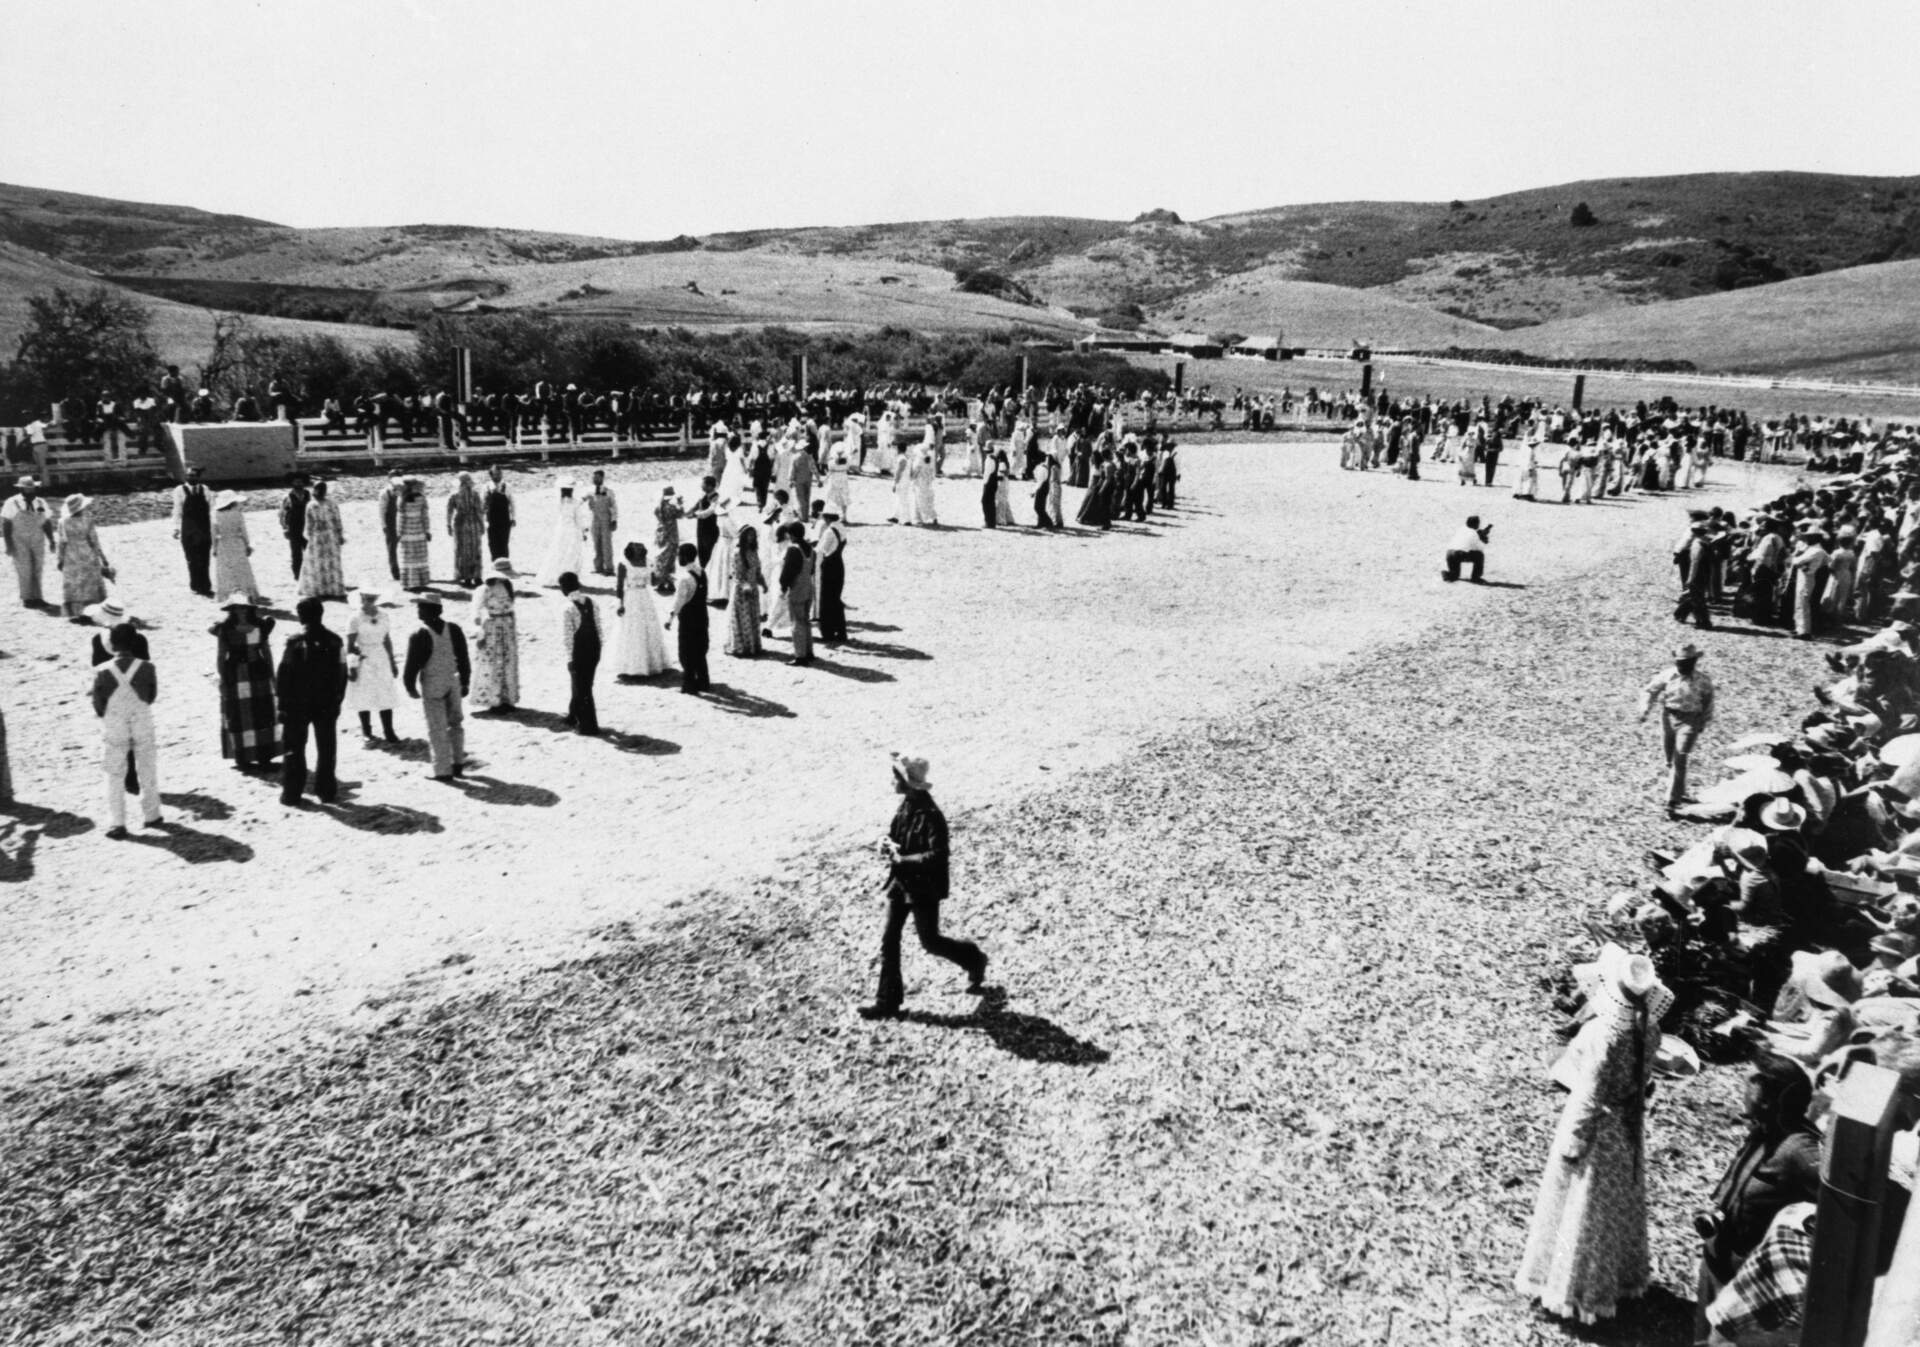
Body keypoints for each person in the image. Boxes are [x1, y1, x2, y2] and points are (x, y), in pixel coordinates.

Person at [1514, 945, 1671, 1324]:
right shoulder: (1649, 1029)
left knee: (1581, 1206)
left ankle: (1575, 1292)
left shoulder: (1604, 1033)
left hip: (1598, 1126)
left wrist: (1574, 1141)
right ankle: (1614, 1281)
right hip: (1625, 1125)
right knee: (1613, 1206)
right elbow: (1643, 1080)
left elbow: (1589, 1093)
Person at [1693, 1054, 1821, 1340]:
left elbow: (1839, 1201)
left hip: (1746, 1280)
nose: (1742, 1086)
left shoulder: (1799, 1149)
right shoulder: (1766, 1127)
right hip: (1718, 1256)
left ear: (1770, 1099)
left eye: (1750, 1082)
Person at [859, 751, 989, 1020]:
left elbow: (938, 855)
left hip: (924, 889)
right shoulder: (906, 805)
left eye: (896, 777)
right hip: (900, 884)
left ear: (908, 783)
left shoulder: (932, 815)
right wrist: (886, 842)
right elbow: (895, 833)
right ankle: (887, 1002)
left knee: (930, 941)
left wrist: (902, 858)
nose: (892, 781)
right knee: (889, 940)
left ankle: (973, 958)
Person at [92, 622, 161, 838]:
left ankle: (117, 822)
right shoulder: (147, 668)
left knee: (113, 772)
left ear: (111, 643)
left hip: (114, 724)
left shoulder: (102, 671)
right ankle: (152, 814)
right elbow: (151, 696)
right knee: (147, 768)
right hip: (142, 720)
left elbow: (98, 704)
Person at [276, 597, 347, 806]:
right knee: (327, 748)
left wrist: (281, 704)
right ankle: (326, 791)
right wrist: (337, 700)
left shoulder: (294, 641)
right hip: (326, 702)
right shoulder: (335, 640)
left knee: (294, 749)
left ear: (301, 616)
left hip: (297, 704)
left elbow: (284, 674)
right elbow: (342, 673)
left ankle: (292, 793)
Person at [1639, 642, 1714, 815]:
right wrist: (1645, 709)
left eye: (1687, 662)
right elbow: (1650, 690)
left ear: (1694, 662)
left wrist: (1702, 723)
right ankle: (1680, 789)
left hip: (1690, 720)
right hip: (1668, 717)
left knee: (1680, 756)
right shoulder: (1667, 675)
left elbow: (1708, 703)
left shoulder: (1703, 681)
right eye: (1680, 662)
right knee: (1670, 758)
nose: (1682, 665)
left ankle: (1672, 800)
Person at [402, 594, 470, 780]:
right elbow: (463, 657)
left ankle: (442, 770)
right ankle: (458, 763)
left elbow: (412, 665)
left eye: (421, 607)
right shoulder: (454, 629)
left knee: (437, 727)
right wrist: (465, 681)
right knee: (456, 723)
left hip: (433, 683)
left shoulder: (420, 634)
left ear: (429, 610)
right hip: (452, 681)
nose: (418, 610)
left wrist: (409, 686)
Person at [210, 595, 280, 772]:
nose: (241, 611)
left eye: (244, 607)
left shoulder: (260, 626)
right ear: (232, 610)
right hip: (235, 674)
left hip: (258, 674)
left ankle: (264, 758)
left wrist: (273, 676)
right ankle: (242, 759)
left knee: (262, 714)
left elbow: (266, 652)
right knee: (239, 717)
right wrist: (223, 679)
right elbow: (221, 656)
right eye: (237, 608)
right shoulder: (225, 629)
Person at [345, 588, 402, 740]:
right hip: (363, 656)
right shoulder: (355, 618)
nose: (369, 600)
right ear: (361, 597)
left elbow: (387, 639)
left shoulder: (384, 615)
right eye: (366, 597)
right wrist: (352, 665)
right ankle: (366, 730)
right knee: (364, 692)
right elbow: (350, 645)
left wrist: (392, 661)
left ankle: (389, 731)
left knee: (385, 692)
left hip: (381, 655)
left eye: (372, 597)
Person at [468, 559, 522, 711]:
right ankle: (495, 701)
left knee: (507, 662)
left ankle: (506, 699)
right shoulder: (484, 589)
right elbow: (475, 611)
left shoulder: (507, 586)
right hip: (492, 628)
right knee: (494, 663)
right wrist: (478, 631)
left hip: (507, 628)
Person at [614, 542, 672, 676]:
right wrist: (620, 604)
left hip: (645, 597)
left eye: (640, 550)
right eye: (636, 550)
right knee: (633, 629)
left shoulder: (648, 562)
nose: (639, 553)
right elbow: (619, 586)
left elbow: (652, 582)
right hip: (631, 598)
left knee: (648, 628)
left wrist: (662, 574)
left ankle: (650, 663)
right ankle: (631, 666)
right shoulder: (623, 564)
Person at [556, 572, 602, 735]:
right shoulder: (592, 602)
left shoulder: (567, 608)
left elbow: (568, 637)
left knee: (582, 688)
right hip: (594, 647)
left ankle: (588, 725)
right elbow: (598, 628)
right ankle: (572, 714)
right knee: (584, 683)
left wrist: (570, 658)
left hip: (579, 650)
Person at [55, 494, 112, 619]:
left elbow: (61, 542)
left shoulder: (62, 522)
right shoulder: (87, 520)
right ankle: (93, 611)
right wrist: (102, 557)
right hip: (86, 553)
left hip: (70, 555)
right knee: (89, 582)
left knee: (74, 583)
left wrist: (60, 559)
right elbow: (94, 540)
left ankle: (76, 612)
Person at [2, 475, 55, 608]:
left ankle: (38, 597)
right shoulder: (11, 502)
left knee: (38, 567)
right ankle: (27, 598)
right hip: (19, 540)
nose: (30, 491)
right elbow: (6, 523)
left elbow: (46, 521)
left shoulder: (41, 503)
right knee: (24, 568)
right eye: (27, 489)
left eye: (32, 488)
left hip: (37, 539)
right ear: (21, 489)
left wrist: (51, 539)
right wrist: (8, 544)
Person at [664, 542, 710, 694]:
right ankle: (703, 680)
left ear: (683, 557)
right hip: (702, 616)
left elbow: (678, 601)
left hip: (689, 619)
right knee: (700, 649)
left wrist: (669, 619)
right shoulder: (702, 572)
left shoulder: (684, 578)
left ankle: (689, 684)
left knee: (686, 652)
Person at [295, 479, 346, 601]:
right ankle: (319, 590)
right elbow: (308, 524)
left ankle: (333, 590)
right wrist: (309, 537)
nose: (319, 491)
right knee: (317, 564)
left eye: (322, 489)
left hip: (330, 536)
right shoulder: (311, 505)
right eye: (317, 489)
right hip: (317, 537)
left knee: (331, 563)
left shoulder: (332, 504)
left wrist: (340, 535)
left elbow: (337, 520)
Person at [211, 491, 263, 604]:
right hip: (237, 542)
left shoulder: (215, 515)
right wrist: (247, 544)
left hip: (223, 543)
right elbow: (243, 531)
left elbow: (214, 534)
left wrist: (214, 548)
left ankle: (228, 594)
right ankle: (246, 593)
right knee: (241, 568)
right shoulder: (237, 514)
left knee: (226, 569)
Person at [171, 466, 215, 595]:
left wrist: (215, 526)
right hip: (188, 528)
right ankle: (195, 585)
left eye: (194, 475)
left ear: (198, 477)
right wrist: (176, 528)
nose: (191, 478)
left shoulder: (205, 489)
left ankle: (205, 585)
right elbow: (177, 510)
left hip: (204, 527)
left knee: (204, 557)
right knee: (191, 557)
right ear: (185, 476)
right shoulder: (179, 490)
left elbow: (212, 508)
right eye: (189, 475)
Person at [724, 526, 765, 657]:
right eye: (748, 535)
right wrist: (746, 587)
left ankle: (753, 646)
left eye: (753, 535)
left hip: (753, 589)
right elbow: (737, 575)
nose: (751, 538)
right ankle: (741, 647)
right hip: (741, 591)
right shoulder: (737, 553)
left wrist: (763, 584)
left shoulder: (754, 552)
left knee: (752, 618)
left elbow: (758, 571)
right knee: (742, 619)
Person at [779, 522, 815, 666]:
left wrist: (783, 586)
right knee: (806, 620)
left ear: (791, 534)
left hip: (797, 588)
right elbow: (811, 570)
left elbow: (787, 572)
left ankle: (800, 655)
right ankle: (809, 651)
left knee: (797, 622)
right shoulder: (810, 548)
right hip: (808, 586)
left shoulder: (793, 550)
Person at [447, 472, 486, 587]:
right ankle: (477, 576)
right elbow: (479, 511)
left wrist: (448, 525)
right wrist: (482, 524)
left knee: (462, 550)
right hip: (473, 522)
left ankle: (466, 576)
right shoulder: (475, 495)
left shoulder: (454, 495)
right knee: (475, 549)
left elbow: (449, 512)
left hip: (460, 523)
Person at [816, 507, 848, 644]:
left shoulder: (829, 531)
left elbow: (820, 550)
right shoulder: (841, 527)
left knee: (826, 600)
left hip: (829, 565)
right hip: (839, 564)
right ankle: (841, 631)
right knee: (836, 599)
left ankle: (827, 633)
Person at [396, 477, 433, 591]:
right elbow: (425, 516)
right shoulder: (422, 498)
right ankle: (421, 581)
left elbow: (401, 518)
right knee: (419, 556)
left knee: (408, 557)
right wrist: (427, 530)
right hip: (419, 531)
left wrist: (399, 532)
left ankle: (410, 582)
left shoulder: (402, 499)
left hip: (407, 533)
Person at [585, 470, 619, 575]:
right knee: (596, 543)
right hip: (594, 519)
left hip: (605, 519)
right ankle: (598, 567)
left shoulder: (609, 492)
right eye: (593, 477)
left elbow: (613, 507)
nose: (594, 479)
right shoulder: (589, 491)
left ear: (602, 478)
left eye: (597, 477)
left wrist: (614, 520)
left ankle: (609, 568)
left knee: (606, 544)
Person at [651, 486, 683, 593]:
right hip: (671, 535)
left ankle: (661, 580)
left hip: (661, 534)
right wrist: (680, 503)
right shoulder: (671, 507)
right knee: (669, 559)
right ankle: (667, 580)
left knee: (661, 558)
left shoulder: (658, 507)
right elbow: (681, 514)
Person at [278, 474, 311, 580]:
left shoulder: (309, 495)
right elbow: (282, 514)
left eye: (300, 482)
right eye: (296, 482)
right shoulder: (287, 497)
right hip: (294, 528)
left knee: (310, 550)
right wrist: (285, 528)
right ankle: (298, 575)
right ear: (292, 483)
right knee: (296, 553)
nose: (298, 484)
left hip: (307, 527)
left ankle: (311, 574)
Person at [1442, 515, 1493, 583]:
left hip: (1449, 554)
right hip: (1459, 554)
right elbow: (1479, 548)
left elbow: (1465, 541)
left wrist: (1479, 536)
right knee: (1479, 555)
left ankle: (1446, 574)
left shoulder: (1461, 529)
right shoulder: (1473, 533)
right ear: (1476, 524)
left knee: (1454, 576)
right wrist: (1482, 539)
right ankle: (1476, 577)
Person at [376, 468, 404, 581]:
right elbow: (381, 510)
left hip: (402, 519)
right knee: (392, 548)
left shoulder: (404, 490)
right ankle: (395, 571)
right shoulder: (385, 492)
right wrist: (384, 525)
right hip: (391, 521)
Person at [484, 464, 515, 561]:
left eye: (500, 474)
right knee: (492, 541)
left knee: (504, 540)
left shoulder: (507, 486)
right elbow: (483, 504)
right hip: (491, 518)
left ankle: (504, 561)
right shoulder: (487, 487)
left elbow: (512, 503)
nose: (499, 476)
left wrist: (513, 518)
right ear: (491, 475)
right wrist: (484, 519)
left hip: (504, 518)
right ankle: (495, 561)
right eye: (496, 474)